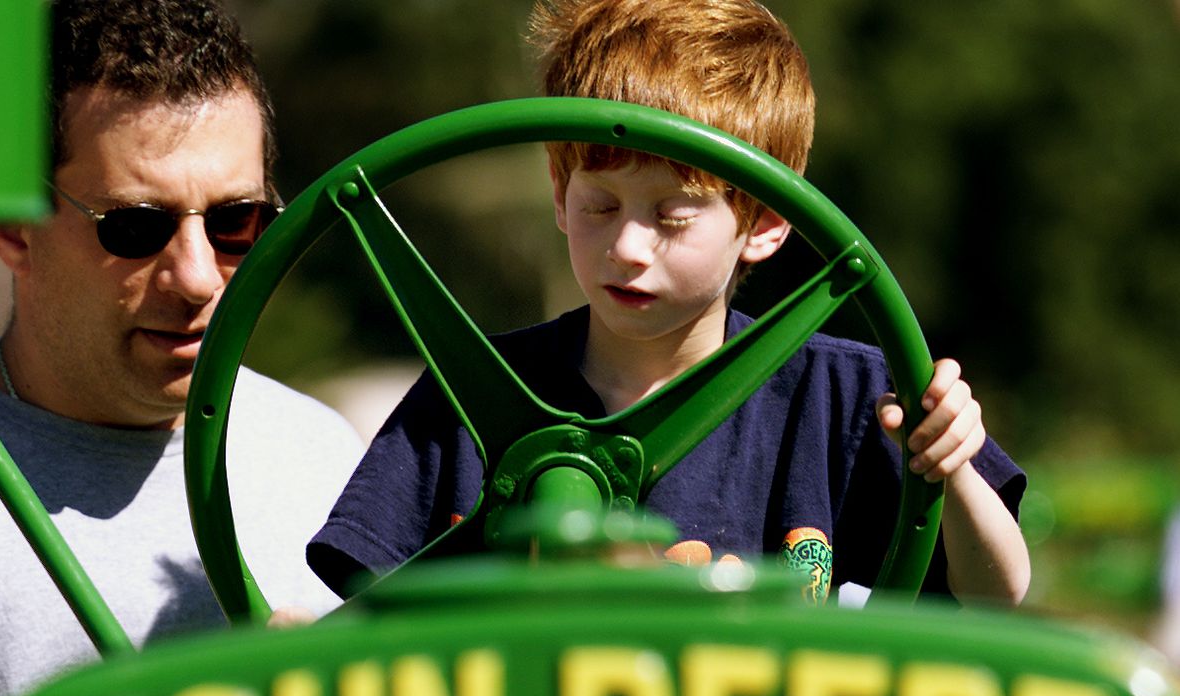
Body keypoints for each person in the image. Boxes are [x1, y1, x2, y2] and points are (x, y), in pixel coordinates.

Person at [307, 0, 1029, 606]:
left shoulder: (846, 400)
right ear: (559, 193)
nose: (627, 247)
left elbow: (998, 591)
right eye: (600, 204)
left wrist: (952, 464)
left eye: (673, 215)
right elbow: (371, 624)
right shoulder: (465, 400)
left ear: (766, 223)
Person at [0, 0, 362, 696]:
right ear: (14, 226)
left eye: (235, 220)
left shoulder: (326, 461)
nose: (195, 275)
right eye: (135, 227)